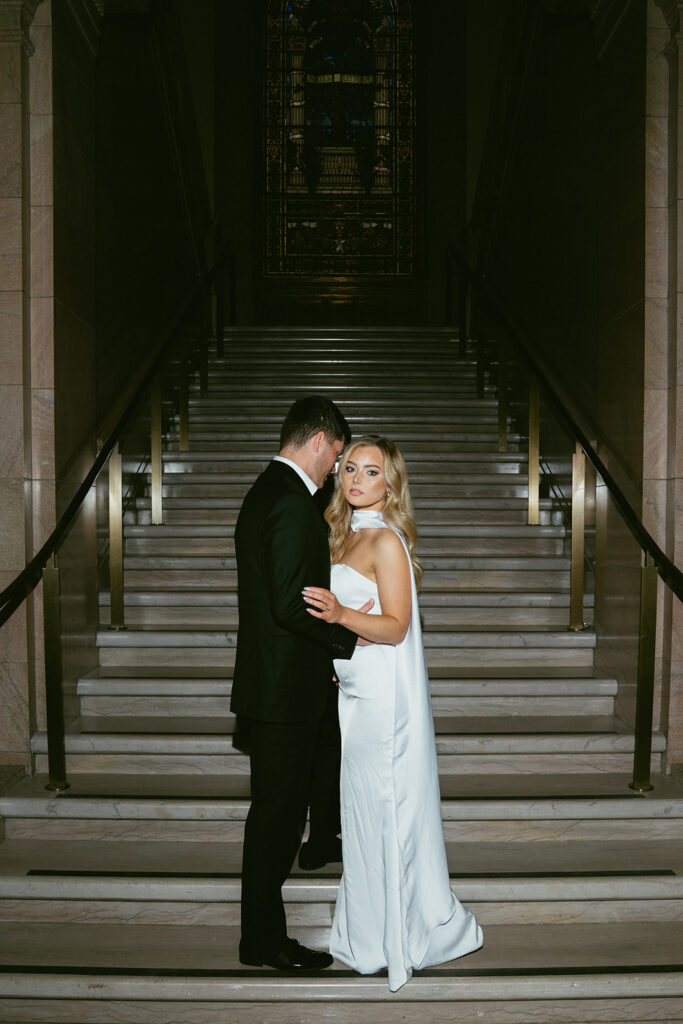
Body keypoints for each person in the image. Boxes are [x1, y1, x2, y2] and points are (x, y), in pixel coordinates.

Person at [304, 435, 484, 991]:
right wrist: (338, 649)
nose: (357, 479)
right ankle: (368, 932)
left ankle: (401, 934)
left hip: (384, 700)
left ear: (390, 484)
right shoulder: (341, 537)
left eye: (372, 472)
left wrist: (336, 617)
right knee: (360, 812)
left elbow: (396, 627)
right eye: (350, 468)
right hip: (355, 691)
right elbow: (361, 621)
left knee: (382, 807)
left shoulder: (386, 542)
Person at [231, 396, 372, 972]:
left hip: (279, 688)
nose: (336, 471)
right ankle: (264, 941)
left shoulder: (266, 490)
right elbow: (292, 605)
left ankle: (319, 847)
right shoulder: (291, 504)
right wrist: (346, 637)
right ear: (320, 441)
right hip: (285, 693)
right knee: (274, 820)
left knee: (280, 811)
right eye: (338, 457)